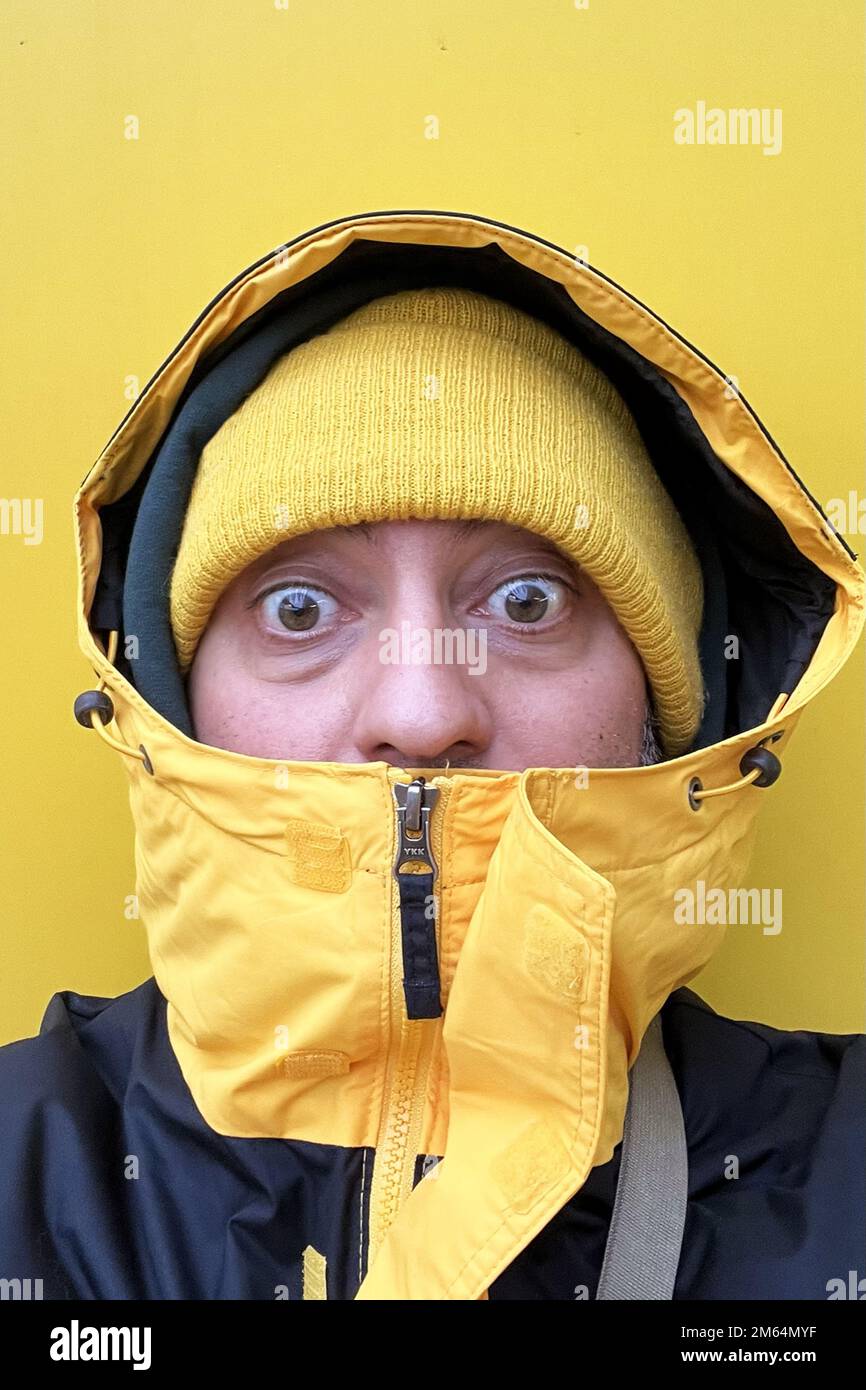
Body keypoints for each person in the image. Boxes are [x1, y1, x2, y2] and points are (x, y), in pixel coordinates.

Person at [0, 210, 863, 1301]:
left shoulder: (841, 1175)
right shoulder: (24, 1176)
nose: (419, 708)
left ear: (667, 705)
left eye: (527, 599)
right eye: (301, 607)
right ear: (171, 705)